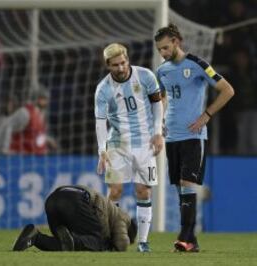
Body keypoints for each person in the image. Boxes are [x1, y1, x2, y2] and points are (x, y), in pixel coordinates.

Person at [154, 24, 234, 252]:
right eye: (160, 49)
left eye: (166, 48)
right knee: (181, 189)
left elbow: (228, 90)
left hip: (193, 136)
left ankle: (184, 238)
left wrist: (207, 114)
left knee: (187, 183)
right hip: (172, 138)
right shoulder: (162, 70)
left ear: (177, 42)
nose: (163, 53)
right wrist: (160, 124)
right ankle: (192, 242)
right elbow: (163, 98)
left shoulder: (198, 65)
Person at [94, 43, 164, 252]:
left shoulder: (145, 76)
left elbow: (157, 104)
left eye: (123, 62)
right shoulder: (103, 89)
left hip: (145, 143)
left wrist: (158, 132)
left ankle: (143, 242)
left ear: (127, 59)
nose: (121, 68)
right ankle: (108, 240)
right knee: (115, 191)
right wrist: (102, 150)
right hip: (118, 143)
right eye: (116, 65)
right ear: (108, 65)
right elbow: (100, 122)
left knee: (143, 191)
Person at [12, 185, 137, 252]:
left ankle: (34, 237)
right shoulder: (123, 217)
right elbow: (121, 244)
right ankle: (42, 238)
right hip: (75, 201)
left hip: (53, 199)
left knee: (65, 244)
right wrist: (109, 245)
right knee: (98, 243)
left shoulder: (110, 210)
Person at [0, 88, 57, 155]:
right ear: (36, 99)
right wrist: (4, 149)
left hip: (36, 157)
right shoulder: (26, 112)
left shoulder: (41, 115)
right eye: (44, 99)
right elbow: (7, 125)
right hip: (21, 158)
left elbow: (36, 135)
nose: (46, 102)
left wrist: (48, 140)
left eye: (47, 99)